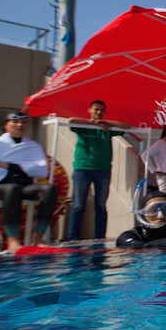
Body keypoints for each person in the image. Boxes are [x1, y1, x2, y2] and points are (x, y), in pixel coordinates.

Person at [0, 111, 57, 252]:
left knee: (49, 189)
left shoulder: (33, 146)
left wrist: (10, 166)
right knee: (12, 188)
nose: (19, 125)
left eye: (24, 122)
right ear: (6, 125)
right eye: (15, 122)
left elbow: (41, 170)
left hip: (23, 186)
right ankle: (13, 240)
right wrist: (23, 168)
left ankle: (38, 238)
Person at [67, 100, 130, 240]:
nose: (99, 113)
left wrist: (107, 122)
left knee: (101, 206)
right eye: (96, 110)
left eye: (102, 110)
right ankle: (73, 239)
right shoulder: (82, 125)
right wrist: (92, 123)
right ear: (89, 110)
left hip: (103, 170)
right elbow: (71, 120)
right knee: (78, 205)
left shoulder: (107, 127)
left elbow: (127, 126)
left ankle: (99, 239)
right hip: (83, 169)